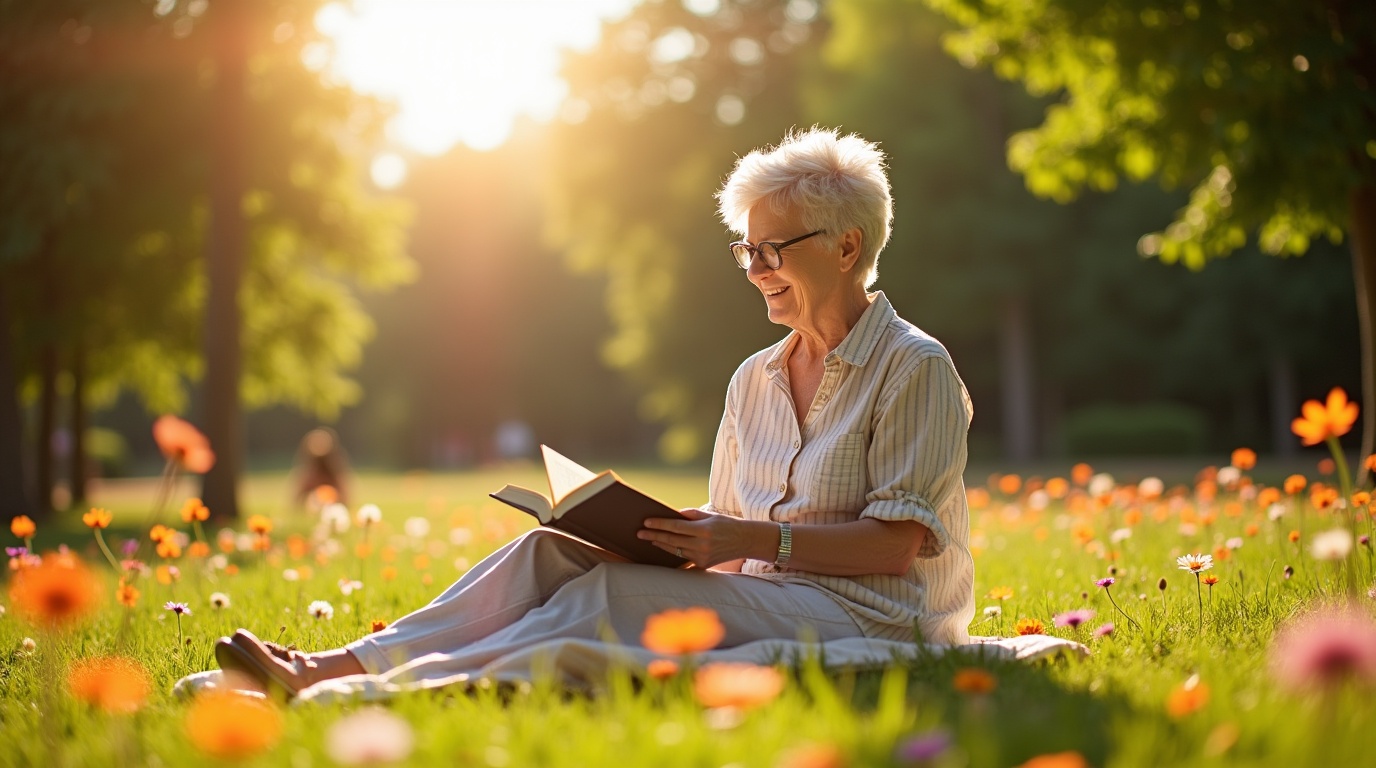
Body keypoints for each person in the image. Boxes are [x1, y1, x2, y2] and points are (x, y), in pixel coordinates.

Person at [215, 127, 975, 699]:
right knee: (548, 556)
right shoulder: (756, 379)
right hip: (768, 589)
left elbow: (897, 547)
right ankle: (328, 666)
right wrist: (658, 528)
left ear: (846, 247)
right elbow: (734, 514)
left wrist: (740, 538)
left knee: (606, 594)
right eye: (746, 252)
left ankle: (391, 691)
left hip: (869, 614)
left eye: (773, 250)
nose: (757, 271)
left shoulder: (915, 367)